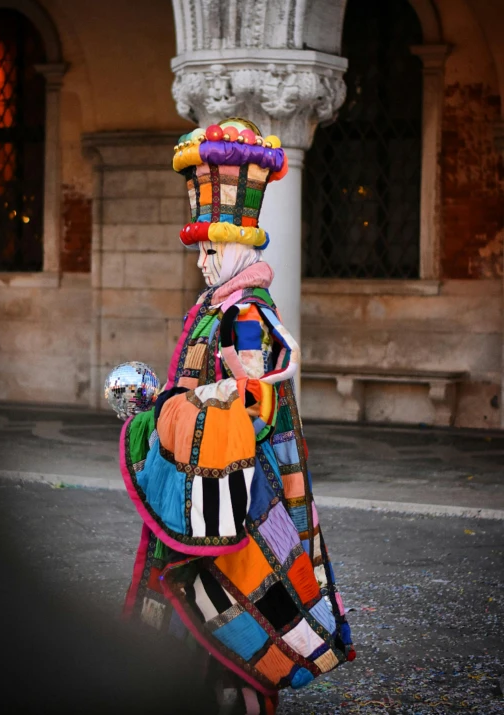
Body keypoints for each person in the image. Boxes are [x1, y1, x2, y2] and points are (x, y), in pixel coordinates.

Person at [120, 118, 355, 714]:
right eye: (200, 250)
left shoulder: (246, 313)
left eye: (209, 250)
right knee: (196, 605)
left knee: (232, 600)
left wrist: (177, 408)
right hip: (202, 476)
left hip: (237, 490)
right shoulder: (219, 305)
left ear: (237, 249)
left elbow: (253, 399)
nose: (201, 262)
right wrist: (166, 404)